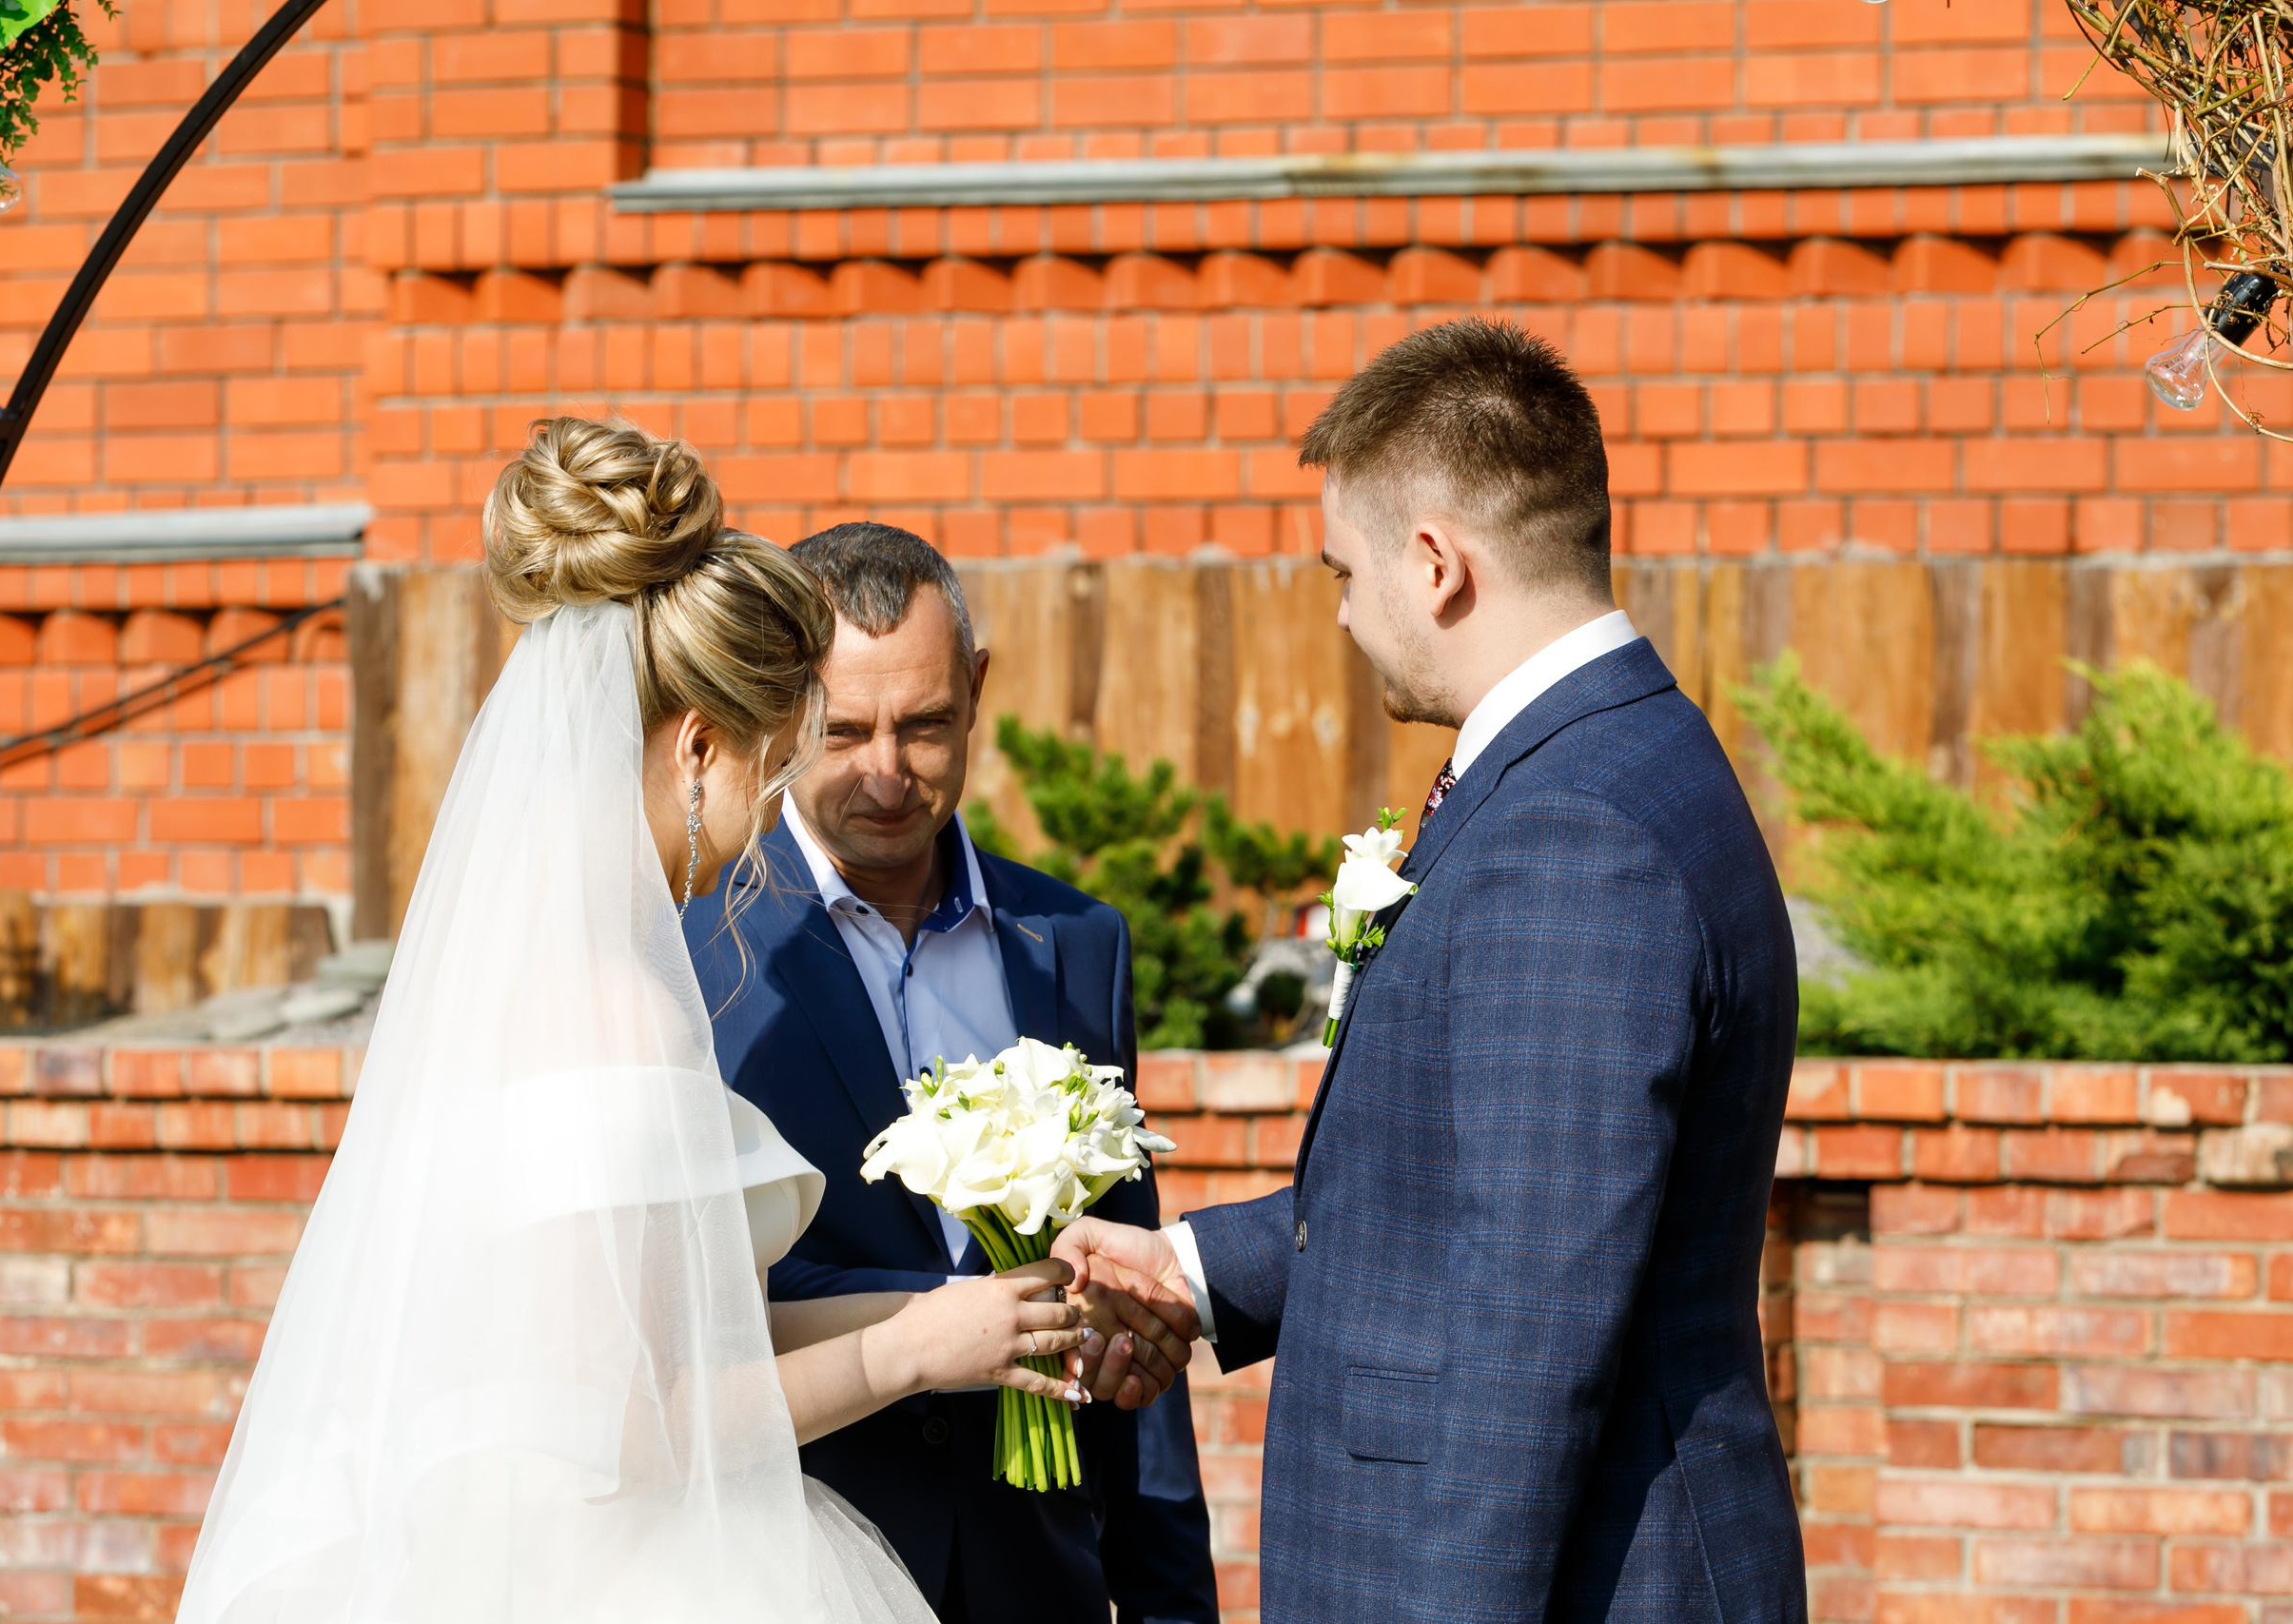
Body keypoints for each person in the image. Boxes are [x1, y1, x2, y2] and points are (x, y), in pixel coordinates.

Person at [175, 420, 1092, 1624]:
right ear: (699, 747)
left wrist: (950, 1313)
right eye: (772, 775)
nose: (768, 824)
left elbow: (674, 1330)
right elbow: (629, 1427)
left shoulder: (521, 976)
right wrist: (909, 1356)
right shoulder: (618, 1011)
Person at [1054, 323, 1809, 1621]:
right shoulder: (1607, 764)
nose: (1342, 611)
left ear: (1436, 562)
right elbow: (1469, 1202)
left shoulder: (1575, 833)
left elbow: (1530, 1326)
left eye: (1343, 571)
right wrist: (1192, 1267)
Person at [684, 522, 1221, 1624]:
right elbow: (684, 1314)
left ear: (976, 690)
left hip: (1041, 1578)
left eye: (925, 726)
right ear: (785, 709)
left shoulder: (1076, 940)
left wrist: (1169, 1602)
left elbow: (1126, 1291)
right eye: (846, 731)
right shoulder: (696, 951)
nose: (887, 772)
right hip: (797, 1571)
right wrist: (948, 1324)